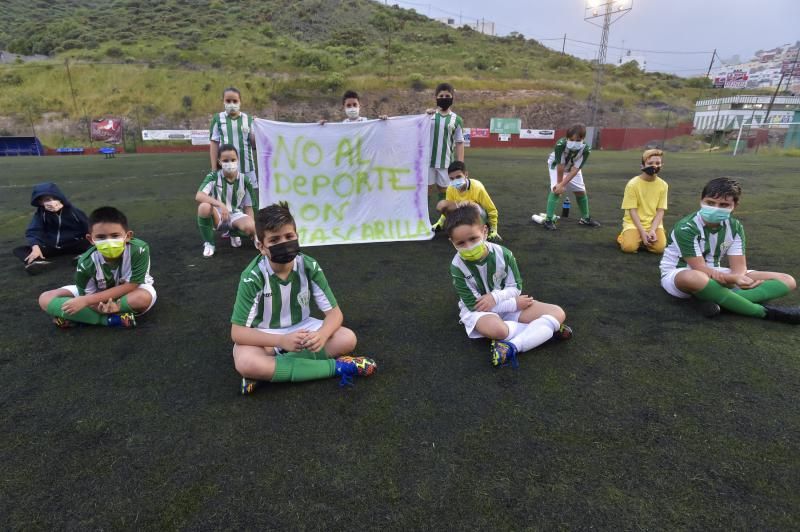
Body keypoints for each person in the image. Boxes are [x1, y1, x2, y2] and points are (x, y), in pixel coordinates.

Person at [230, 202, 378, 394]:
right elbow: (238, 332)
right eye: (274, 240)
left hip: (303, 330)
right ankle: (338, 368)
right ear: (261, 246)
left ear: (297, 236)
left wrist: (322, 335)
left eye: (289, 236)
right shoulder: (252, 277)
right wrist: (281, 341)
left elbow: (335, 314)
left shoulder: (309, 266)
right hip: (267, 336)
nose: (284, 243)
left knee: (347, 338)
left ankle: (269, 373)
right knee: (246, 362)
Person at [446, 202, 572, 367]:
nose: (469, 246)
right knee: (498, 331)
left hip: (505, 302)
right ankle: (544, 331)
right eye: (460, 243)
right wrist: (512, 304)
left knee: (557, 312)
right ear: (452, 242)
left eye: (473, 239)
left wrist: (495, 297)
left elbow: (515, 287)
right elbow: (473, 304)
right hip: (480, 311)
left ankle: (513, 345)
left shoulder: (503, 254)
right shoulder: (456, 266)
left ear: (484, 232)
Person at [660, 177, 799, 323]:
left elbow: (739, 266)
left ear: (734, 206)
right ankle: (764, 313)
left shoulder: (735, 227)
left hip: (717, 272)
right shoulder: (686, 227)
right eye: (710, 203)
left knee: (787, 280)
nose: (716, 208)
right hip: (681, 274)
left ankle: (724, 301)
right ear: (701, 201)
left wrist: (740, 278)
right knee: (694, 277)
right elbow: (699, 268)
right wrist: (732, 279)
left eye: (724, 205)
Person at [38, 207, 156, 329]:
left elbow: (132, 285)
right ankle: (111, 320)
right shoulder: (85, 262)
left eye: (115, 235)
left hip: (129, 292)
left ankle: (80, 319)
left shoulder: (139, 249)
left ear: (128, 236)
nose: (109, 241)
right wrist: (97, 307)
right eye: (101, 237)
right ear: (91, 239)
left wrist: (86, 301)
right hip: (96, 294)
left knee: (142, 298)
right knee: (45, 298)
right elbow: (87, 296)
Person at [13, 182, 91, 275]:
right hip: (52, 246)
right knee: (20, 250)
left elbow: (87, 226)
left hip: (73, 243)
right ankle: (37, 263)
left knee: (92, 243)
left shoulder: (73, 211)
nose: (52, 202)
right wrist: (35, 247)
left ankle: (84, 257)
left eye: (55, 198)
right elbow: (34, 231)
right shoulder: (41, 214)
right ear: (40, 202)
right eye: (47, 199)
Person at [196, 144, 256, 257]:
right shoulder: (213, 176)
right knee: (204, 207)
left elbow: (249, 207)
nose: (230, 163)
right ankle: (209, 243)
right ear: (219, 161)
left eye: (233, 160)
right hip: (218, 215)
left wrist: (253, 231)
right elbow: (199, 195)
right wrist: (220, 205)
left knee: (251, 226)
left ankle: (233, 232)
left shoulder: (245, 179)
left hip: (235, 215)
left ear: (237, 160)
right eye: (225, 160)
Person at [540, 123, 601, 230]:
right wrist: (560, 185)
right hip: (556, 166)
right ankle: (548, 220)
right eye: (571, 140)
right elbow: (560, 166)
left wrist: (563, 184)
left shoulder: (586, 149)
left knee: (581, 191)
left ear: (583, 139)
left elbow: (575, 170)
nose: (574, 143)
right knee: (556, 190)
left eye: (578, 140)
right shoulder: (560, 145)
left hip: (572, 168)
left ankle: (585, 218)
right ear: (567, 138)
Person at [209, 87, 258, 209]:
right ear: (223, 101)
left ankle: (249, 225)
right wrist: (214, 168)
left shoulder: (249, 119)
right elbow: (214, 143)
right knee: (226, 199)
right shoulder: (217, 119)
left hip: (247, 167)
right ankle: (228, 224)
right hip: (226, 167)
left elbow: (255, 144)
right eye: (228, 101)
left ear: (240, 102)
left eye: (235, 101)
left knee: (249, 202)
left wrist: (257, 129)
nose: (232, 104)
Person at [432, 161, 500, 240]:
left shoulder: (477, 187)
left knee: (466, 203)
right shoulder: (450, 188)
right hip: (463, 214)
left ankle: (479, 228)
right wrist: (440, 223)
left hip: (478, 215)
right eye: (451, 178)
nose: (455, 181)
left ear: (466, 174)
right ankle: (459, 227)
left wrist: (494, 229)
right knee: (442, 205)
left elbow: (491, 209)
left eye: (458, 177)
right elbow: (448, 208)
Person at [618, 149, 668, 253]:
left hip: (653, 224)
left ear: (662, 165)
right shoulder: (633, 184)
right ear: (642, 166)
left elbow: (660, 211)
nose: (654, 166)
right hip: (633, 223)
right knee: (628, 248)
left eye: (657, 163)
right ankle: (624, 236)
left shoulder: (663, 185)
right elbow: (632, 210)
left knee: (660, 248)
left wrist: (653, 230)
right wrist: (642, 231)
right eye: (650, 163)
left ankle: (642, 240)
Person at [426, 82, 464, 202]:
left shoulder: (457, 120)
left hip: (446, 163)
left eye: (447, 96)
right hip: (427, 162)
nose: (444, 99)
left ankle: (444, 218)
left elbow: (459, 142)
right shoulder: (428, 116)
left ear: (452, 97)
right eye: (441, 96)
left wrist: (460, 164)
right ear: (436, 98)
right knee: (426, 190)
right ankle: (422, 218)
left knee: (444, 191)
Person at [318, 90, 389, 124]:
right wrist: (323, 127)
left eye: (355, 105)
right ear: (344, 108)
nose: (352, 108)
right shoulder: (342, 125)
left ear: (359, 106)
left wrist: (383, 122)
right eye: (348, 105)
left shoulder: (368, 122)